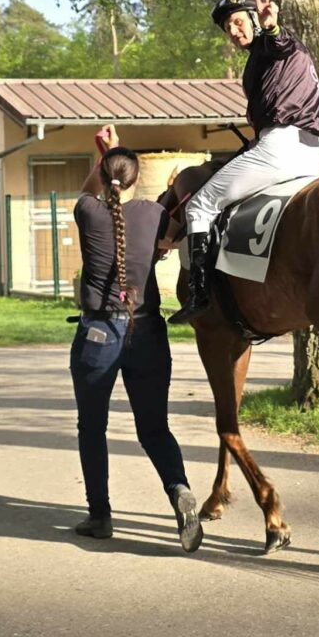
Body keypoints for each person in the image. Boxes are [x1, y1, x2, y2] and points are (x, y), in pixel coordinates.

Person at [69, 124, 204, 552]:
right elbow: (169, 235)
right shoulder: (153, 214)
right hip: (147, 331)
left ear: (105, 175)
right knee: (154, 428)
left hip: (98, 334)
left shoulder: (89, 213)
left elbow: (91, 191)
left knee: (93, 428)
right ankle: (179, 490)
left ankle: (101, 515)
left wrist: (105, 153)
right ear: (136, 178)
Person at [168, 0, 319, 324]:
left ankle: (198, 295)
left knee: (200, 205)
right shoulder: (273, 55)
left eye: (239, 22)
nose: (233, 32)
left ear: (256, 17)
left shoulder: (274, 46)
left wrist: (271, 27)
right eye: (228, 28)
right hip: (311, 153)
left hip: (280, 148)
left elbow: (279, 42)